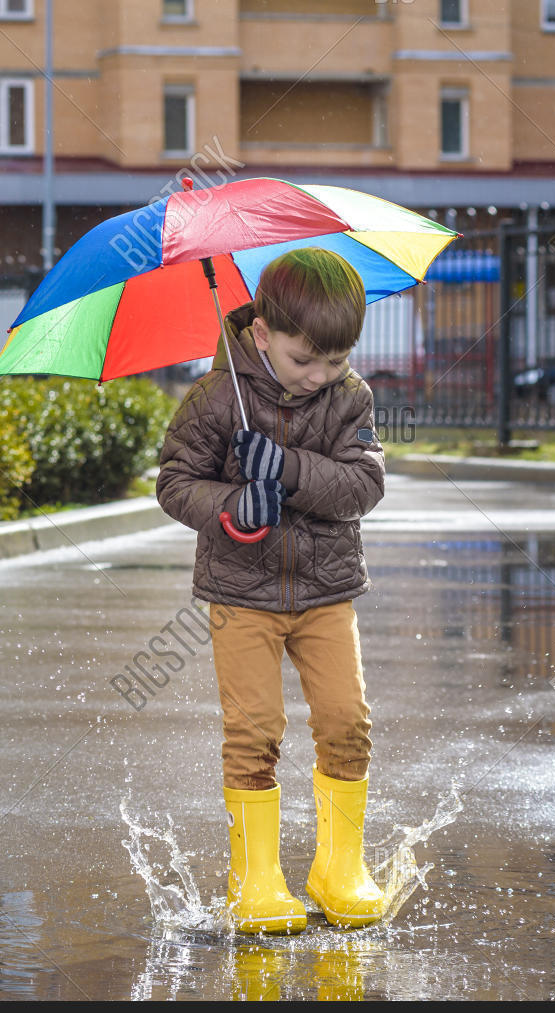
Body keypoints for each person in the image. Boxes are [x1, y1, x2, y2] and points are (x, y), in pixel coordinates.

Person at [155, 246, 387, 935]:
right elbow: (174, 482)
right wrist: (231, 506)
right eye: (302, 359)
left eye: (335, 360)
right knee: (253, 731)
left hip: (325, 590)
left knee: (347, 720)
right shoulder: (214, 396)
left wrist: (286, 468)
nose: (319, 376)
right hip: (242, 592)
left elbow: (362, 486)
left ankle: (338, 867)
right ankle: (254, 878)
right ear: (262, 333)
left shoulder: (351, 400)